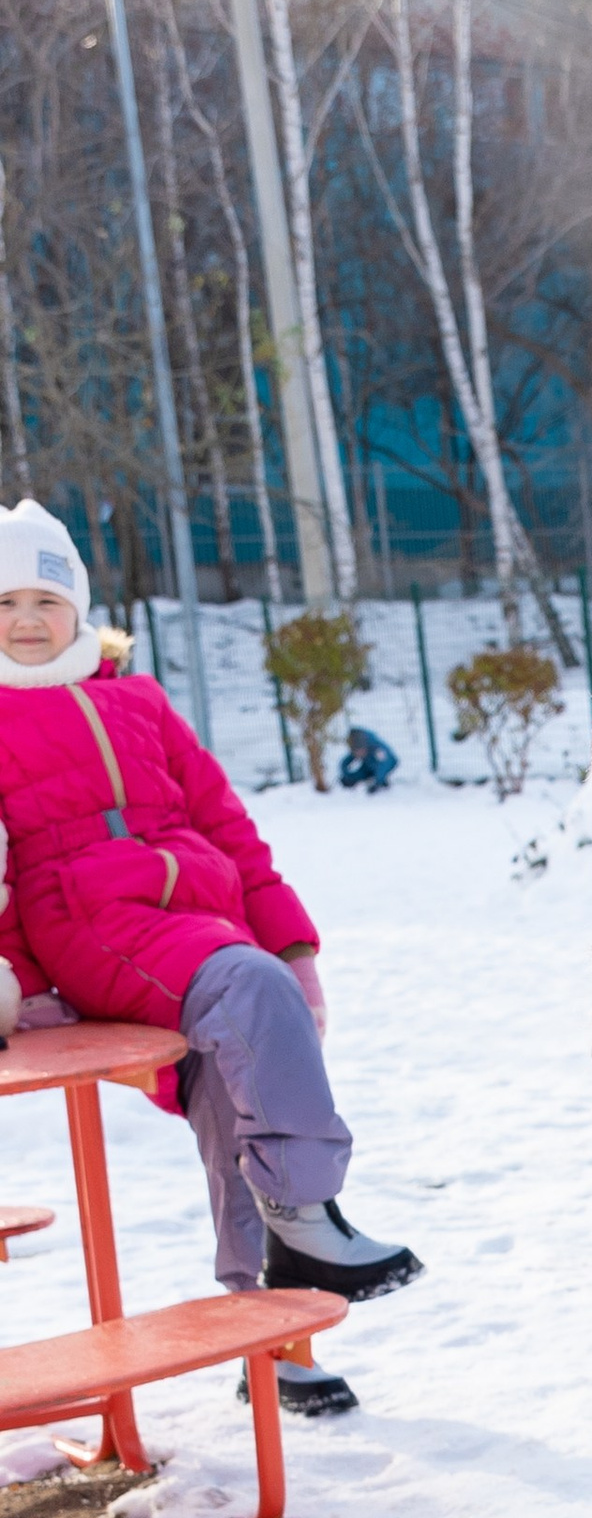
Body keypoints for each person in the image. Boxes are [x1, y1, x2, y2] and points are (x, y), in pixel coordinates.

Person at [0, 498, 416, 1416]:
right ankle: (308, 1214)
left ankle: (272, 1342)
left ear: (80, 608)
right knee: (245, 990)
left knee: (237, 1101)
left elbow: (227, 824)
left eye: (46, 598)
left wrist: (294, 946)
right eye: (5, 603)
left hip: (201, 913)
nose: (27, 620)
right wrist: (24, 989)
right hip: (91, 919)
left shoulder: (137, 698)